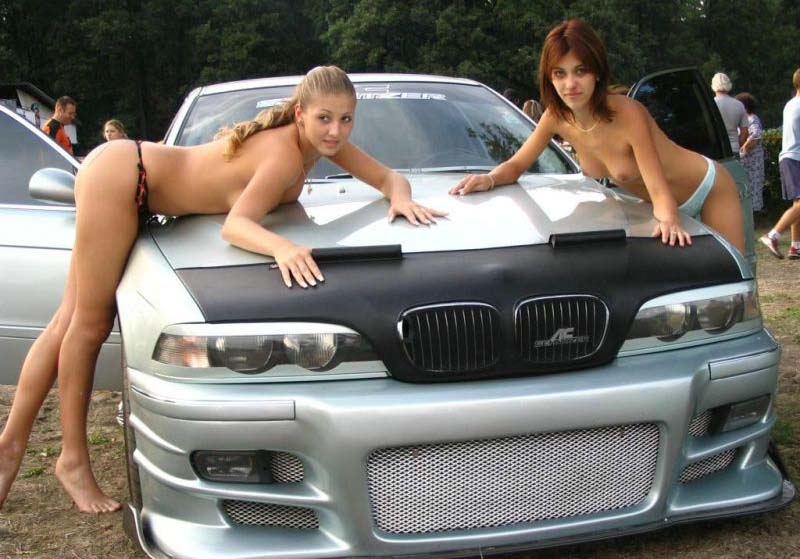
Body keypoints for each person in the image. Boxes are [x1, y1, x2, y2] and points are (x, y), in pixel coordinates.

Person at [0, 66, 445, 514]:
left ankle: (9, 448)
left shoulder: (318, 144)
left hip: (127, 170)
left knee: (65, 322)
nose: (336, 131)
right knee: (89, 323)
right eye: (325, 119)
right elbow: (237, 226)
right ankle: (71, 460)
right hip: (126, 175)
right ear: (300, 114)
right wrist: (282, 248)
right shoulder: (283, 156)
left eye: (346, 119)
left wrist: (400, 197)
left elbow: (388, 178)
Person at [450, 19, 744, 252]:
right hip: (653, 208)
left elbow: (658, 190)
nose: (570, 84)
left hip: (708, 189)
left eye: (580, 71)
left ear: (597, 72)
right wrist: (489, 179)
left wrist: (668, 218)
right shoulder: (555, 117)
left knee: (733, 279)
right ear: (549, 78)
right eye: (560, 73)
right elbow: (517, 165)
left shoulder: (628, 113)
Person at [760, 68, 800, 260]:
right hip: (795, 159)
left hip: (789, 158)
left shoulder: (790, 104)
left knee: (797, 204)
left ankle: (795, 246)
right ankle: (772, 235)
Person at [735, 93, 764, 212]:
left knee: (752, 187)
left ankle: (753, 214)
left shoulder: (752, 119)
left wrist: (742, 151)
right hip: (745, 162)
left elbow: (755, 137)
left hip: (752, 162)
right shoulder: (742, 120)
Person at [711, 73, 749, 153]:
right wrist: (738, 145)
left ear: (713, 86)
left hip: (717, 150)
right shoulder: (739, 105)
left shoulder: (710, 104)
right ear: (729, 85)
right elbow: (745, 132)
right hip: (734, 148)